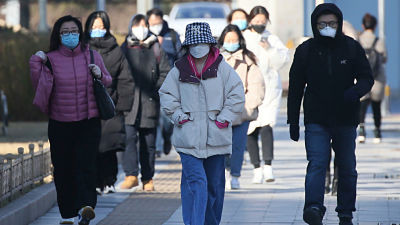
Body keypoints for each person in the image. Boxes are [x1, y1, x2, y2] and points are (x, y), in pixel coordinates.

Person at [287, 3, 374, 225]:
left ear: (339, 23)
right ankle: (313, 208)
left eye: (332, 23)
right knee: (317, 162)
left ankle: (345, 212)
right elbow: (296, 87)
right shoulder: (306, 50)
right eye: (323, 24)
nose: (328, 27)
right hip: (316, 118)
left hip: (345, 118)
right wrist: (293, 121)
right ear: (315, 25)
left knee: (347, 166)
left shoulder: (351, 48)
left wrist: (355, 92)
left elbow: (367, 78)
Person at [159, 22, 245, 225]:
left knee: (214, 186)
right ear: (187, 46)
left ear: (210, 43)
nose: (198, 47)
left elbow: (236, 94)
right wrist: (178, 115)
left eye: (202, 43)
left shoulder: (222, 68)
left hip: (217, 137)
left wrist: (224, 117)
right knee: (196, 183)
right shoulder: (178, 70)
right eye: (193, 44)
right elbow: (167, 94)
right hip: (188, 138)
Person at [29, 15, 112, 225]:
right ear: (58, 34)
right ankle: (67, 214)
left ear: (80, 33)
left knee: (86, 165)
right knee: (64, 169)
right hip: (60, 123)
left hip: (88, 122)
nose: (70, 35)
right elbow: (38, 85)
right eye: (65, 31)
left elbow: (108, 80)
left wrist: (99, 74)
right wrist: (35, 61)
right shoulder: (50, 58)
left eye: (73, 31)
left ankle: (86, 207)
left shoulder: (92, 55)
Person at [84, 11, 135, 194]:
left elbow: (125, 79)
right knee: (91, 146)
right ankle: (94, 182)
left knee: (109, 146)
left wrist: (122, 106)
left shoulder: (116, 50)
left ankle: (109, 180)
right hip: (86, 107)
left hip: (110, 107)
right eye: (94, 26)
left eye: (101, 27)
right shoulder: (81, 49)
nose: (97, 30)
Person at [120, 14, 170, 191]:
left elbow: (166, 72)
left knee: (148, 144)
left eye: (143, 25)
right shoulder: (125, 47)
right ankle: (131, 175)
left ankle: (148, 178)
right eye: (136, 25)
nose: (140, 28)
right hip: (129, 103)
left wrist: (155, 88)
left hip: (150, 102)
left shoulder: (156, 48)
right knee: (128, 139)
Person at [242, 6, 289, 184]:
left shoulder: (272, 38)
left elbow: (281, 61)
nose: (260, 24)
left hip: (269, 89)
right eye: (257, 21)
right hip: (249, 90)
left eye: (263, 21)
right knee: (250, 128)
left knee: (267, 125)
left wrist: (269, 49)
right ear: (250, 20)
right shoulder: (244, 38)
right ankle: (256, 168)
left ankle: (268, 166)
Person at [218, 24, 265, 189]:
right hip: (218, 112)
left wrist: (249, 107)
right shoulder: (214, 59)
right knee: (220, 146)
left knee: (237, 146)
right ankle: (222, 173)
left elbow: (256, 85)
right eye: (228, 39)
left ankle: (235, 175)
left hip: (241, 111)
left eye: (234, 39)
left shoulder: (248, 60)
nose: (231, 42)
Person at [146, 8, 182, 156]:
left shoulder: (171, 35)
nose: (155, 25)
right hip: (149, 82)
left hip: (169, 82)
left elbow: (180, 55)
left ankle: (167, 137)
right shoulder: (144, 35)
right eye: (152, 23)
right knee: (153, 115)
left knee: (166, 116)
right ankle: (157, 147)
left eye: (157, 22)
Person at [358, 13, 388, 144]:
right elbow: (385, 58)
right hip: (377, 78)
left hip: (362, 77)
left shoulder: (358, 40)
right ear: (375, 26)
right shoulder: (379, 41)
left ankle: (361, 131)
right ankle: (377, 132)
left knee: (362, 105)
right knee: (376, 106)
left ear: (363, 25)